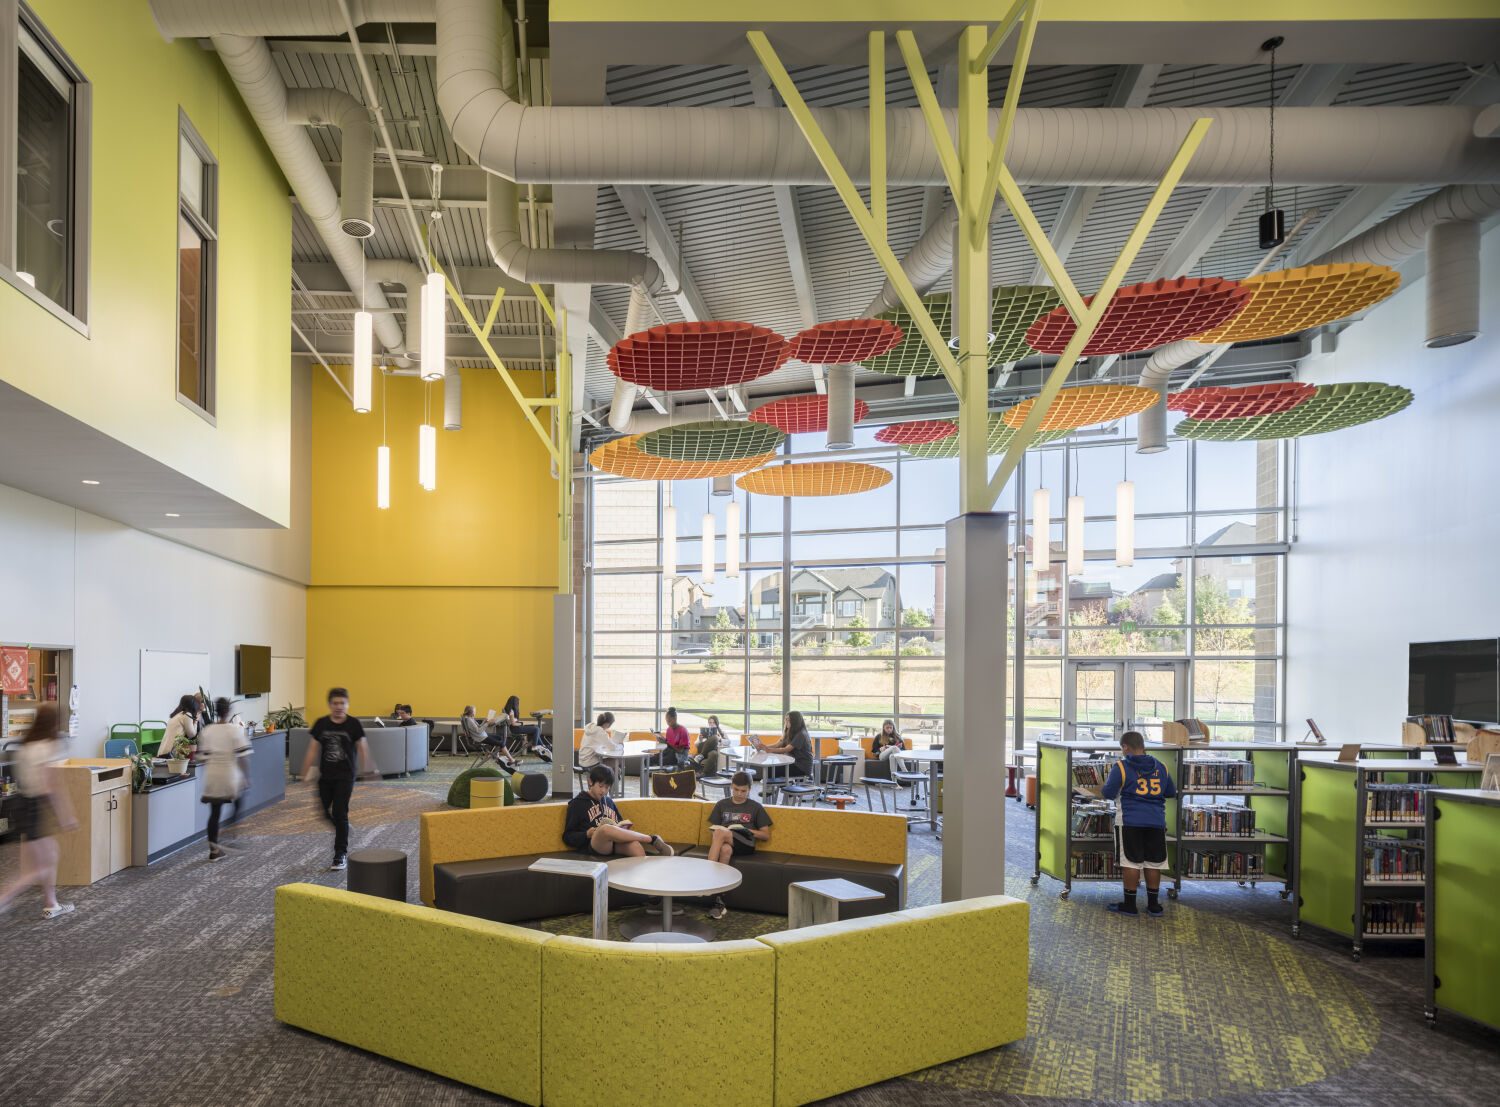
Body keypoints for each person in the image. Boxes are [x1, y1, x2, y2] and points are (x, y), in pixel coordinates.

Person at [0, 705, 78, 920]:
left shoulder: (27, 745)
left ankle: (51, 903)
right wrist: (65, 815)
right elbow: (52, 786)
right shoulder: (47, 747)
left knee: (47, 856)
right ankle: (4, 898)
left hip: (20, 804)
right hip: (34, 806)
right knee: (39, 866)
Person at [1099, 730, 1177, 917]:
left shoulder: (1121, 767)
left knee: (1131, 863)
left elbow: (1108, 793)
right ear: (1143, 746)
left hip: (1130, 821)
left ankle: (1130, 904)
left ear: (1125, 747)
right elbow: (1170, 792)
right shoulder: (1162, 766)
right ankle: (1154, 905)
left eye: (1122, 748)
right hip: (1156, 822)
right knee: (1153, 863)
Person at [300, 687, 378, 871]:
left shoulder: (353, 724)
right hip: (325, 776)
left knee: (340, 813)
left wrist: (368, 769)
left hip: (345, 775)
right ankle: (343, 828)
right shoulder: (321, 724)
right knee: (324, 812)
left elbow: (362, 747)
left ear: (347, 704)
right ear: (329, 704)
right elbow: (313, 748)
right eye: (335, 703)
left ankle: (339, 854)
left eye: (342, 703)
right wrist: (305, 771)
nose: (338, 706)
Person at [704, 771, 773, 919]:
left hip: (746, 843)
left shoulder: (755, 807)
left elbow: (765, 835)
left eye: (743, 791)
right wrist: (722, 836)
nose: (739, 794)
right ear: (731, 786)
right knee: (725, 849)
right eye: (736, 789)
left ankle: (706, 877)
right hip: (727, 841)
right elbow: (714, 831)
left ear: (749, 789)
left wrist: (747, 830)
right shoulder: (721, 804)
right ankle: (719, 901)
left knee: (721, 833)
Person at [562, 765, 673, 857]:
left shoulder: (609, 801)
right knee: (605, 829)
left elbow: (618, 823)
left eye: (607, 788)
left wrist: (622, 827)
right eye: (600, 786)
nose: (603, 791)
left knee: (635, 846)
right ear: (591, 782)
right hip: (594, 845)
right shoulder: (577, 803)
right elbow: (567, 837)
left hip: (614, 844)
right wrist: (586, 834)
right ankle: (651, 839)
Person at [199, 696, 251, 862]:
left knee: (215, 812)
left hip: (213, 775)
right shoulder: (236, 729)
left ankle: (214, 850)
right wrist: (246, 778)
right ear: (228, 711)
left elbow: (201, 757)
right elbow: (243, 757)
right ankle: (229, 834)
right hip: (229, 774)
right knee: (238, 803)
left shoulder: (207, 730)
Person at [756, 710, 814, 780]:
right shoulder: (790, 731)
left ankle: (770, 790)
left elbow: (786, 749)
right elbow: (777, 745)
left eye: (788, 720)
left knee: (771, 769)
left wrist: (767, 750)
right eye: (786, 719)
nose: (786, 722)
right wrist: (762, 746)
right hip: (794, 763)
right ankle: (775, 788)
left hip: (801, 767)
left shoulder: (801, 734)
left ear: (795, 721)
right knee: (771, 768)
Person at [460, 705, 516, 770]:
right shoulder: (469, 720)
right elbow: (478, 731)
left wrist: (485, 721)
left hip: (482, 736)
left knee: (499, 737)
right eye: (474, 711)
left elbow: (478, 726)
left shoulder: (470, 718)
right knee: (501, 743)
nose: (475, 713)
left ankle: (496, 756)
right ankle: (511, 759)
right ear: (471, 712)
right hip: (480, 738)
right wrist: (487, 723)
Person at [158, 694, 201, 758]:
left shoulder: (176, 715)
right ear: (193, 706)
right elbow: (191, 734)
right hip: (170, 754)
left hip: (162, 751)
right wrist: (196, 721)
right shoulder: (186, 715)